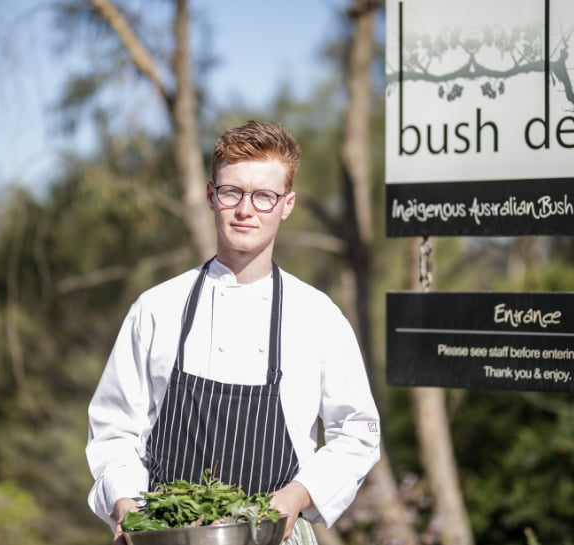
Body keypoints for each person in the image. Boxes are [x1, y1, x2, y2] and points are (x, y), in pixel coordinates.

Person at [86, 120, 381, 544]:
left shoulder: (319, 317)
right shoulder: (156, 309)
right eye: (232, 192)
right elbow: (114, 428)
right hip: (169, 534)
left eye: (264, 196)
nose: (246, 210)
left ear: (287, 204)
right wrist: (126, 504)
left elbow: (356, 432)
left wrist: (298, 495)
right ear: (211, 196)